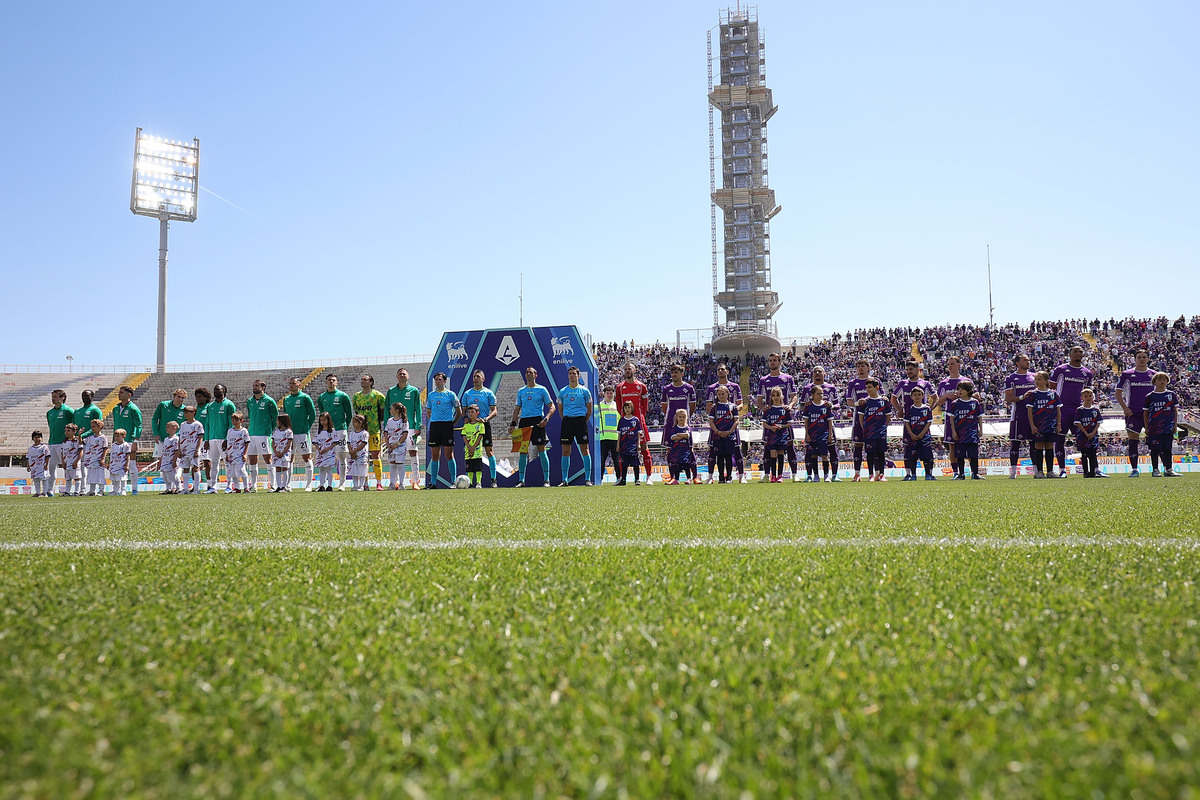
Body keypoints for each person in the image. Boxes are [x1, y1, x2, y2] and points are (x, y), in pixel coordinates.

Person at [1049, 346, 1094, 478]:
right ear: (1070, 355)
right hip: (1062, 410)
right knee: (1060, 439)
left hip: (1078, 411)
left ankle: (1089, 470)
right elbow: (1052, 388)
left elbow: (1087, 392)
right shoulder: (1061, 370)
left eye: (1080, 351)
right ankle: (1062, 469)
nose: (1078, 354)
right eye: (1075, 352)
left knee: (1084, 440)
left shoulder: (1087, 373)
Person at [511, 366, 555, 488]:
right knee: (523, 451)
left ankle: (546, 480)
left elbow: (552, 406)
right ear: (525, 375)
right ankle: (521, 480)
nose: (529, 374)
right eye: (527, 372)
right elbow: (517, 409)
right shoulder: (521, 391)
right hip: (524, 422)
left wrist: (546, 418)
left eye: (531, 372)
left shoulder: (542, 390)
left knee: (541, 449)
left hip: (537, 420)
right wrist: (513, 424)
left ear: (536, 375)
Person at [758, 353, 799, 480]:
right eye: (770, 361)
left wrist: (790, 405)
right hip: (771, 417)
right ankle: (766, 475)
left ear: (780, 362)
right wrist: (762, 407)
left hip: (783, 416)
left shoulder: (788, 378)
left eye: (775, 360)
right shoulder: (764, 380)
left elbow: (794, 396)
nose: (772, 363)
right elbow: (759, 399)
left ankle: (794, 474)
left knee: (790, 445)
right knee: (768, 447)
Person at [1116, 349, 1156, 477]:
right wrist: (1124, 408)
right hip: (1133, 413)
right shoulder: (1127, 374)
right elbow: (1118, 393)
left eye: (1144, 357)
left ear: (1148, 359)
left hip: (1151, 413)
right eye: (1139, 357)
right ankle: (1134, 469)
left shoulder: (1154, 374)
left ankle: (1156, 469)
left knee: (1155, 440)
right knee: (1133, 439)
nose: (1142, 359)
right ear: (1135, 359)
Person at [705, 363, 745, 483]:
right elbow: (708, 407)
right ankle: (711, 477)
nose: (721, 371)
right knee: (713, 452)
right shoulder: (711, 388)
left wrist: (732, 410)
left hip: (731, 425)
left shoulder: (735, 386)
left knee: (737, 450)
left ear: (727, 371)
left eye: (723, 369)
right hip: (717, 426)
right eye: (718, 369)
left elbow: (741, 404)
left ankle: (741, 476)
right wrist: (715, 410)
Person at [614, 361, 653, 479]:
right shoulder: (620, 387)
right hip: (625, 423)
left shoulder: (642, 387)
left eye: (629, 368)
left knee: (644, 449)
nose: (627, 371)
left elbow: (645, 406)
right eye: (625, 369)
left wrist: (639, 418)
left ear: (634, 370)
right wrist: (625, 419)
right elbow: (619, 405)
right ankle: (622, 478)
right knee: (623, 450)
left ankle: (649, 476)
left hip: (639, 423)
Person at [385, 369, 424, 488]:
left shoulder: (414, 391)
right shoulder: (391, 391)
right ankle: (395, 482)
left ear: (408, 376)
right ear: (396, 376)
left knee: (413, 452)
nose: (402, 375)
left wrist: (418, 426)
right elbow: (387, 409)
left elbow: (418, 408)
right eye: (400, 374)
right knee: (394, 454)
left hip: (410, 427)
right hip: (393, 428)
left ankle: (415, 481)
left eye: (404, 374)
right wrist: (385, 427)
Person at [462, 369, 499, 487]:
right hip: (470, 427)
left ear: (483, 379)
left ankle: (493, 480)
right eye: (474, 376)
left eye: (478, 376)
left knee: (489, 451)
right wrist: (465, 418)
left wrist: (486, 419)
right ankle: (471, 482)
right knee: (470, 452)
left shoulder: (488, 393)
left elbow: (494, 411)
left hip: (483, 425)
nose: (475, 378)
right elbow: (463, 412)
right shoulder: (467, 394)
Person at [557, 366, 593, 486]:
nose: (572, 375)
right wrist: (566, 419)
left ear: (578, 376)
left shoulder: (584, 391)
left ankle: (587, 479)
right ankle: (564, 479)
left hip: (580, 421)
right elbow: (560, 409)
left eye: (574, 373)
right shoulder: (562, 392)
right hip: (567, 421)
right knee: (565, 450)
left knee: (585, 449)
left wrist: (583, 421)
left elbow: (589, 409)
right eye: (570, 373)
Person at [316, 375, 354, 490]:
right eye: (329, 380)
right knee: (326, 456)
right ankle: (325, 484)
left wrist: (344, 427)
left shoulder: (343, 396)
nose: (331, 382)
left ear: (336, 382)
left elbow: (349, 414)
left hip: (340, 430)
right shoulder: (322, 397)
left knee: (341, 456)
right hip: (327, 432)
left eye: (333, 380)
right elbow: (323, 415)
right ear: (326, 382)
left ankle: (342, 483)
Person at [425, 371, 462, 489]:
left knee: (449, 454)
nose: (437, 381)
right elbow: (428, 411)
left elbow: (459, 411)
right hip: (435, 426)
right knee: (435, 455)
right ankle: (433, 482)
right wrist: (434, 420)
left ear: (445, 381)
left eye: (440, 379)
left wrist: (452, 423)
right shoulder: (431, 395)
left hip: (447, 426)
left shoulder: (451, 394)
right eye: (435, 379)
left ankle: (453, 482)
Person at [1004, 355, 1038, 479]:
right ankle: (1013, 472)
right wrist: (1022, 397)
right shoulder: (1011, 378)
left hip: (1034, 415)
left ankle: (1036, 471)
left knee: (1034, 444)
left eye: (1029, 360)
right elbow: (1008, 398)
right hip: (1018, 415)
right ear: (1018, 363)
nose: (1028, 362)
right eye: (1025, 360)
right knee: (1015, 443)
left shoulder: (1034, 376)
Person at [931, 356, 966, 479]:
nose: (950, 366)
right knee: (952, 446)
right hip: (950, 418)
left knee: (967, 445)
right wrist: (947, 395)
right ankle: (956, 472)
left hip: (965, 417)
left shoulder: (965, 381)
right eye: (948, 364)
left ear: (958, 365)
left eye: (952, 364)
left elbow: (975, 396)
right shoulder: (944, 383)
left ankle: (970, 471)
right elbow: (939, 402)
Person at [353, 373, 388, 490]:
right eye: (362, 379)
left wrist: (379, 422)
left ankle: (379, 482)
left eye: (365, 379)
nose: (363, 381)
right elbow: (356, 413)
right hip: (361, 432)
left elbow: (383, 411)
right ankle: (365, 482)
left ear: (371, 382)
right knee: (363, 457)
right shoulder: (357, 396)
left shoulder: (378, 395)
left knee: (375, 455)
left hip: (374, 429)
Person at [1023, 371, 1062, 479]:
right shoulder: (1033, 394)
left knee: (1049, 447)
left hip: (1051, 425)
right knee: (1038, 447)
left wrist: (1058, 424)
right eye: (1035, 379)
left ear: (1046, 381)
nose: (1036, 381)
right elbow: (1029, 411)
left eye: (1039, 379)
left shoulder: (1053, 394)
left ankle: (1050, 471)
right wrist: (1032, 425)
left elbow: (1058, 410)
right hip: (1038, 425)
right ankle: (1039, 472)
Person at [844, 359, 877, 481]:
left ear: (868, 367)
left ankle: (873, 474)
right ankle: (857, 473)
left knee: (872, 447)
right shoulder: (853, 383)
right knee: (858, 445)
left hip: (874, 419)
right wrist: (858, 403)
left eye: (863, 366)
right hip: (858, 419)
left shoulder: (875, 381)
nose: (860, 368)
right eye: (858, 366)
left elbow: (882, 397)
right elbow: (849, 401)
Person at [282, 378, 317, 491]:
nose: (291, 386)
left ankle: (308, 485)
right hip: (289, 434)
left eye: (294, 384)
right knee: (289, 458)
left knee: (306, 457)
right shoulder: (286, 399)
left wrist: (306, 427)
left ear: (300, 385)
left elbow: (312, 414)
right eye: (290, 383)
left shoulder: (305, 397)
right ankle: (287, 485)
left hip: (302, 433)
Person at [201, 384, 237, 493]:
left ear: (224, 391)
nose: (216, 391)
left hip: (224, 438)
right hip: (212, 439)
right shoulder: (210, 406)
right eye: (215, 389)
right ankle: (212, 487)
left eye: (219, 389)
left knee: (228, 463)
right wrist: (206, 439)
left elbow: (232, 423)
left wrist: (227, 439)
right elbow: (207, 423)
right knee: (213, 463)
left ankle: (229, 486)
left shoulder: (229, 404)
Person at [1143, 372, 1179, 477]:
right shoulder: (1150, 396)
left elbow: (1175, 410)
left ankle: (1169, 469)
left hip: (1168, 426)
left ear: (1167, 381)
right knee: (1154, 449)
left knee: (1168, 448)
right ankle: (1155, 470)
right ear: (1154, 382)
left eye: (1164, 379)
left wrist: (1175, 425)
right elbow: (1146, 412)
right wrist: (1146, 426)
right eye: (1159, 379)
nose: (1162, 381)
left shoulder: (1171, 395)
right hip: (1154, 427)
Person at [246, 380, 279, 493]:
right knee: (252, 460)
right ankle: (253, 486)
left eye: (257, 386)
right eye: (253, 385)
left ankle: (273, 485)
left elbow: (275, 418)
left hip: (264, 435)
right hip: (252, 435)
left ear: (263, 387)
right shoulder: (250, 401)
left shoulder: (269, 401)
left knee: (268, 459)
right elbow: (251, 416)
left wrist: (268, 430)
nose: (254, 387)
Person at [109, 385, 143, 495]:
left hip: (129, 440)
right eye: (119, 392)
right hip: (117, 442)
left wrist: (135, 441)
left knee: (131, 465)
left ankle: (134, 489)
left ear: (129, 394)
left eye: (121, 392)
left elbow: (139, 425)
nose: (119, 394)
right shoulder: (115, 408)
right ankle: (117, 490)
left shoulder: (133, 408)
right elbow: (115, 426)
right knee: (116, 465)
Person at [855, 378, 891, 482]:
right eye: (866, 387)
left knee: (881, 453)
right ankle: (871, 475)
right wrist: (865, 429)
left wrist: (884, 427)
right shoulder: (864, 402)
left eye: (870, 387)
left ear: (877, 387)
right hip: (869, 432)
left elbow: (888, 416)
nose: (867, 389)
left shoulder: (884, 401)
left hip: (881, 432)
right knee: (870, 454)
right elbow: (861, 418)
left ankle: (881, 475)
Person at [948, 381, 984, 480]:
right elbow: (951, 418)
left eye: (961, 389)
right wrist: (953, 431)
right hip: (960, 433)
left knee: (973, 455)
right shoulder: (955, 403)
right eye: (958, 389)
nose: (959, 391)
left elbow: (979, 417)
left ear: (968, 390)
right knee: (960, 455)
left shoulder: (974, 402)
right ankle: (961, 474)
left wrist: (981, 429)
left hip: (972, 433)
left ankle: (975, 473)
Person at [802, 385, 836, 482]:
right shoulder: (809, 407)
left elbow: (829, 421)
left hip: (823, 435)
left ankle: (826, 475)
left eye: (822, 393)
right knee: (813, 455)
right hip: (812, 435)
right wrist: (807, 434)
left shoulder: (826, 406)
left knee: (824, 455)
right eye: (818, 393)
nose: (821, 395)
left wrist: (830, 434)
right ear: (812, 395)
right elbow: (806, 422)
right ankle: (816, 475)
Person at [902, 387, 936, 481]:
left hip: (924, 437)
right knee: (912, 457)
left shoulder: (927, 408)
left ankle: (928, 475)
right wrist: (911, 434)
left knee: (927, 456)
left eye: (919, 395)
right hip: (912, 437)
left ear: (923, 396)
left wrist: (922, 433)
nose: (917, 397)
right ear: (911, 397)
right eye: (915, 395)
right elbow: (907, 423)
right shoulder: (910, 409)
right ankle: (913, 475)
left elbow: (928, 422)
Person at [45, 390, 75, 496]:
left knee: (66, 466)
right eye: (52, 396)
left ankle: (68, 490)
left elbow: (74, 425)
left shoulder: (68, 411)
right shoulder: (50, 413)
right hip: (52, 442)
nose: (53, 398)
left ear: (62, 398)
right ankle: (49, 490)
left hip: (64, 443)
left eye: (56, 396)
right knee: (51, 467)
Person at [709, 384, 740, 484]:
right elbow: (711, 421)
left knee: (729, 457)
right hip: (718, 436)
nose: (721, 396)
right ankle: (721, 477)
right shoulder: (715, 407)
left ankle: (729, 477)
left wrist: (730, 431)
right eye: (719, 394)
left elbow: (736, 420)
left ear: (727, 394)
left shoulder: (732, 406)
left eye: (723, 393)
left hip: (730, 436)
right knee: (720, 457)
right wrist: (717, 432)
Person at [762, 386, 794, 484]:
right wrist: (771, 427)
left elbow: (790, 423)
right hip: (771, 436)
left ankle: (780, 476)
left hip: (782, 435)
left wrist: (782, 426)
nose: (775, 397)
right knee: (772, 455)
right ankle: (773, 476)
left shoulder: (785, 409)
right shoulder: (768, 410)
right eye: (773, 395)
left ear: (782, 396)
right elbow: (763, 423)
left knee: (780, 455)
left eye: (778, 395)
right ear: (771, 397)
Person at [152, 389, 189, 468]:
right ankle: (163, 479)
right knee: (161, 461)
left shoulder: (185, 410)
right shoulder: (163, 405)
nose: (180, 399)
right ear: (174, 396)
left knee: (177, 461)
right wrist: (156, 434)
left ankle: (176, 479)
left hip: (177, 441)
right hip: (162, 438)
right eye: (178, 397)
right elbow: (154, 419)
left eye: (182, 398)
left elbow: (186, 425)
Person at [1074, 388, 1102, 478]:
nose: (1088, 398)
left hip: (1093, 436)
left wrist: (1092, 433)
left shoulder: (1095, 410)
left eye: (1090, 396)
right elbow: (1078, 423)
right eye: (1085, 396)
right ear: (1082, 398)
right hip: (1083, 436)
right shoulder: (1080, 410)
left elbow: (1098, 422)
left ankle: (1093, 472)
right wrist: (1086, 433)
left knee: (1093, 454)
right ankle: (1085, 472)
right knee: (1084, 454)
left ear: (1093, 397)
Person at [596, 386, 621, 484]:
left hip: (615, 438)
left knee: (616, 460)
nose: (609, 395)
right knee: (602, 460)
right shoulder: (599, 406)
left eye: (611, 393)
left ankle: (619, 478)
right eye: (607, 393)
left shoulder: (617, 406)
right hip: (603, 438)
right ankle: (599, 479)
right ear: (603, 394)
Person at [384, 403, 412, 490]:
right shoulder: (389, 421)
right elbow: (386, 432)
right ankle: (392, 483)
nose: (390, 410)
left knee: (400, 464)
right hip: (391, 446)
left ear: (396, 410)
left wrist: (398, 444)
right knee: (392, 464)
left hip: (400, 446)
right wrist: (387, 443)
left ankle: (402, 483)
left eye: (391, 409)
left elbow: (405, 434)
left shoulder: (403, 421)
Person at [665, 409, 697, 485]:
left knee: (686, 465)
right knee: (677, 465)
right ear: (677, 417)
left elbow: (688, 435)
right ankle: (676, 479)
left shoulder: (687, 428)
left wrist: (678, 435)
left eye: (683, 417)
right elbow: (672, 437)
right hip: (676, 450)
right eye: (680, 417)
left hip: (685, 450)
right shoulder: (674, 428)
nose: (681, 418)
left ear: (686, 418)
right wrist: (682, 436)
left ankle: (689, 478)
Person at [178, 405, 205, 494]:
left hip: (193, 450)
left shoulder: (197, 425)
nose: (185, 414)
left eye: (187, 412)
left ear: (193, 413)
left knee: (195, 468)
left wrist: (197, 450)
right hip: (184, 450)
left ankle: (196, 489)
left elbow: (200, 437)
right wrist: (179, 449)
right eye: (185, 412)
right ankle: (185, 489)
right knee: (185, 468)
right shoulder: (183, 425)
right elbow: (180, 438)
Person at [616, 400, 645, 485]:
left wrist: (638, 444)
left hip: (633, 445)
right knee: (624, 464)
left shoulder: (636, 420)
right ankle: (623, 480)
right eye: (625, 407)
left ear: (632, 408)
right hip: (624, 445)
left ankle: (637, 479)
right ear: (623, 409)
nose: (627, 409)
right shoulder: (621, 420)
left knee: (635, 464)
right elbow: (619, 434)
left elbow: (639, 433)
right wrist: (618, 445)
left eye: (629, 407)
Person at [224, 412, 251, 493]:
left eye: (236, 420)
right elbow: (229, 442)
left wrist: (245, 454)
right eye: (232, 420)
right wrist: (227, 454)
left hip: (240, 454)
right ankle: (237, 488)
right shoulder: (230, 431)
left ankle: (246, 487)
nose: (234, 422)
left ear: (241, 420)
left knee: (241, 470)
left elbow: (247, 443)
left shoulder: (244, 431)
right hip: (232, 454)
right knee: (233, 472)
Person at [193, 388, 214, 490]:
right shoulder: (194, 410)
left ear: (206, 397)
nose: (198, 399)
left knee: (207, 462)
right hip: (195, 440)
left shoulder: (209, 408)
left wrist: (209, 439)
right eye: (196, 397)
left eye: (200, 396)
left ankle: (210, 484)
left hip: (206, 439)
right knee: (194, 463)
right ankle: (195, 486)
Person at [461, 404, 486, 488]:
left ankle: (478, 482)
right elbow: (464, 436)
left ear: (477, 413)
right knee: (469, 468)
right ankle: (470, 483)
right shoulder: (466, 425)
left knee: (478, 467)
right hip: (468, 450)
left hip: (477, 450)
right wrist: (468, 446)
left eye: (472, 412)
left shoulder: (480, 424)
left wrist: (474, 447)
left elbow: (480, 436)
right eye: (469, 412)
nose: (470, 414)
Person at [82, 418, 109, 496]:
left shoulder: (103, 438)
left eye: (94, 426)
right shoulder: (90, 438)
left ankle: (101, 490)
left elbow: (105, 448)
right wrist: (80, 434)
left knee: (100, 475)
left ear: (100, 427)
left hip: (98, 460)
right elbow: (81, 441)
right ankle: (92, 490)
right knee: (91, 475)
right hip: (91, 459)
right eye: (91, 426)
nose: (92, 428)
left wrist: (103, 458)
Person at [314, 412, 338, 492]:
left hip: (329, 454)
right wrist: (319, 449)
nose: (322, 422)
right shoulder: (318, 432)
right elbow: (315, 442)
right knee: (321, 469)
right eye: (321, 420)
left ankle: (330, 485)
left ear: (328, 420)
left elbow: (335, 442)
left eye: (324, 420)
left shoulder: (332, 431)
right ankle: (321, 485)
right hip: (320, 454)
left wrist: (327, 449)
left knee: (329, 469)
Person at [347, 414, 370, 491]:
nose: (353, 424)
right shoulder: (352, 433)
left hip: (362, 455)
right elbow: (349, 442)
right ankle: (355, 485)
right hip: (353, 455)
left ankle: (361, 486)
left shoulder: (364, 433)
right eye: (353, 422)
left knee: (362, 471)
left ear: (360, 423)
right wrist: (351, 452)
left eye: (355, 422)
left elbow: (363, 444)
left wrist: (354, 451)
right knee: (354, 470)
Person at [271, 413, 294, 492]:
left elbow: (289, 443)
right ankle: (279, 486)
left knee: (285, 469)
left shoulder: (289, 432)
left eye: (278, 420)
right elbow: (273, 442)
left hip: (285, 454)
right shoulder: (276, 431)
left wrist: (283, 452)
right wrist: (275, 451)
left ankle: (284, 486)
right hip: (277, 454)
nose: (276, 421)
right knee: (277, 468)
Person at [106, 428, 132, 496]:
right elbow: (112, 455)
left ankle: (123, 490)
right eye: (115, 436)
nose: (116, 438)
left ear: (123, 436)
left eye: (118, 436)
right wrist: (109, 463)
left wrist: (127, 465)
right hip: (114, 464)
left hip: (121, 465)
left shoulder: (126, 445)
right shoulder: (113, 445)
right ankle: (115, 490)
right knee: (114, 479)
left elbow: (128, 455)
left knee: (122, 478)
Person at [158, 421, 181, 494]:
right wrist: (161, 459)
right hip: (165, 459)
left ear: (174, 428)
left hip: (171, 460)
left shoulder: (176, 439)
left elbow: (176, 451)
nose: (166, 429)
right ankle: (168, 488)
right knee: (165, 475)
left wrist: (174, 461)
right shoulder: (166, 439)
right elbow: (164, 450)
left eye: (168, 427)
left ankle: (179, 488)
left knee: (174, 475)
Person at [61, 424, 83, 496]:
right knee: (68, 478)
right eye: (65, 431)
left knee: (76, 477)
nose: (66, 432)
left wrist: (76, 461)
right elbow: (62, 452)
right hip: (67, 462)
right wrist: (63, 462)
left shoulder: (77, 441)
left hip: (74, 462)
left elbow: (81, 452)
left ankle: (77, 491)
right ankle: (67, 492)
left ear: (74, 431)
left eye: (68, 431)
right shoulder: (64, 442)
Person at [27, 431, 50, 497]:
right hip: (34, 466)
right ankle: (38, 492)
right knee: (36, 479)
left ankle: (44, 493)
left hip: (42, 465)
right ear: (32, 439)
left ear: (41, 438)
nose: (37, 439)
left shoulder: (44, 447)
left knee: (44, 479)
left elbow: (48, 456)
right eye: (35, 437)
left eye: (39, 437)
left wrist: (46, 464)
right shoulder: (30, 448)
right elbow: (28, 457)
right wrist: (28, 466)